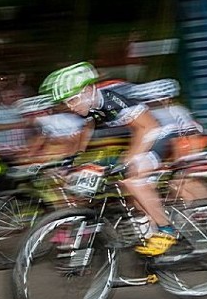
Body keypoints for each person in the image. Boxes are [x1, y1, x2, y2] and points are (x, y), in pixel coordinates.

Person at [39, 62, 197, 256]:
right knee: (127, 190)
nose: (70, 107)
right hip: (140, 132)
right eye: (67, 103)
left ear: (88, 90)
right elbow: (87, 130)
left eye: (72, 100)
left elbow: (148, 127)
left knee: (133, 178)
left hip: (160, 131)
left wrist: (127, 162)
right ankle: (156, 252)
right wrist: (72, 160)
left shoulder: (111, 98)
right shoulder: (90, 106)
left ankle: (167, 231)